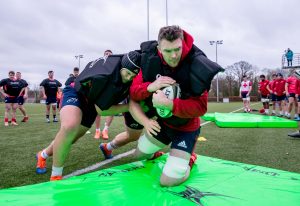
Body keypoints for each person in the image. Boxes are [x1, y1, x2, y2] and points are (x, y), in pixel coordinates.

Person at [128, 25, 223, 187]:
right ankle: (159, 152)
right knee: (138, 156)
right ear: (159, 49)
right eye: (167, 51)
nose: (173, 56)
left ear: (183, 43)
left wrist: (170, 104)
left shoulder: (197, 63)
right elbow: (133, 94)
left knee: (169, 180)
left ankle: (189, 160)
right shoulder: (150, 59)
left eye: (177, 49)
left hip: (186, 128)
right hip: (162, 124)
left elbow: (201, 107)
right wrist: (150, 87)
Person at [35, 51, 142, 181]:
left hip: (92, 103)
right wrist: (129, 107)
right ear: (121, 68)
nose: (129, 78)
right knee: (70, 127)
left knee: (71, 138)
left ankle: (43, 154)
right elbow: (102, 111)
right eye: (127, 73)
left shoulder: (124, 69)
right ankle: (56, 175)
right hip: (76, 93)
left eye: (133, 75)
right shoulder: (105, 76)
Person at [94, 49, 115, 140]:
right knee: (97, 111)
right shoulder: (99, 65)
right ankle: (97, 130)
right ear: (103, 55)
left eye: (110, 54)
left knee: (112, 110)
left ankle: (105, 130)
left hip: (110, 91)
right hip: (99, 91)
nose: (108, 55)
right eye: (106, 54)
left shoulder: (115, 66)